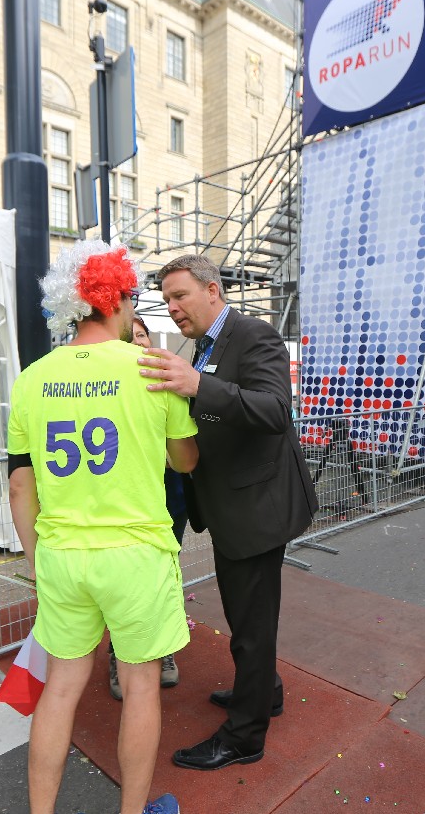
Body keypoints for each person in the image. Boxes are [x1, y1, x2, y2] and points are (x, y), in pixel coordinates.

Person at [6, 240, 196, 814]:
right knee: (140, 687)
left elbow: (20, 486)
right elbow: (184, 461)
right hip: (136, 554)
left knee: (61, 688)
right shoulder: (151, 367)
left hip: (63, 554)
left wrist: (36, 560)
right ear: (117, 299)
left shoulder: (32, 378)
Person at [136, 254, 318, 771]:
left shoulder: (254, 335)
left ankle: (244, 737)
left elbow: (275, 411)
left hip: (257, 509)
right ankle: (264, 692)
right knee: (245, 617)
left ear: (212, 290)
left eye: (180, 296)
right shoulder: (205, 344)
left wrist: (197, 386)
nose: (172, 308)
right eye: (166, 299)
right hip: (232, 506)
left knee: (251, 625)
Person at [105, 315, 189, 701]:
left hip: (169, 496)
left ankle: (163, 648)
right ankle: (118, 653)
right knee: (122, 583)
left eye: (143, 336)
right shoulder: (108, 386)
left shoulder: (164, 379)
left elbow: (183, 455)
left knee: (165, 574)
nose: (138, 342)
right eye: (131, 336)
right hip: (126, 503)